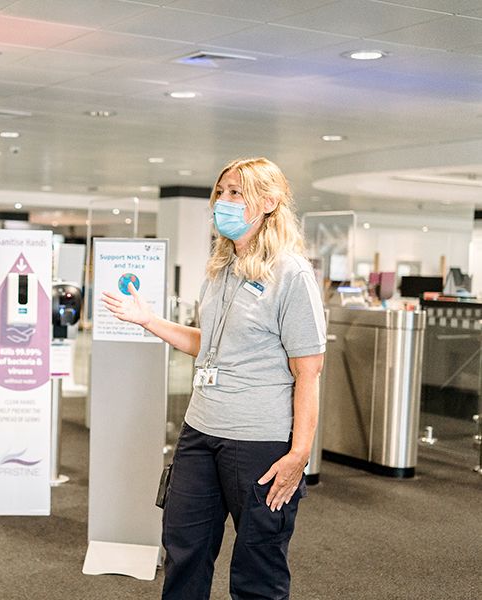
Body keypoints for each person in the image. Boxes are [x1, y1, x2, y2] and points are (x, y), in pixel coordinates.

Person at [103, 157, 326, 600]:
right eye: (220, 192)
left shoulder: (292, 273)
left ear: (269, 201)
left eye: (236, 193)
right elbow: (208, 344)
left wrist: (299, 454)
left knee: (257, 566)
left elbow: (309, 370)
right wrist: (149, 320)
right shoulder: (221, 266)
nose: (223, 201)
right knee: (183, 549)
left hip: (258, 439)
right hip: (201, 430)